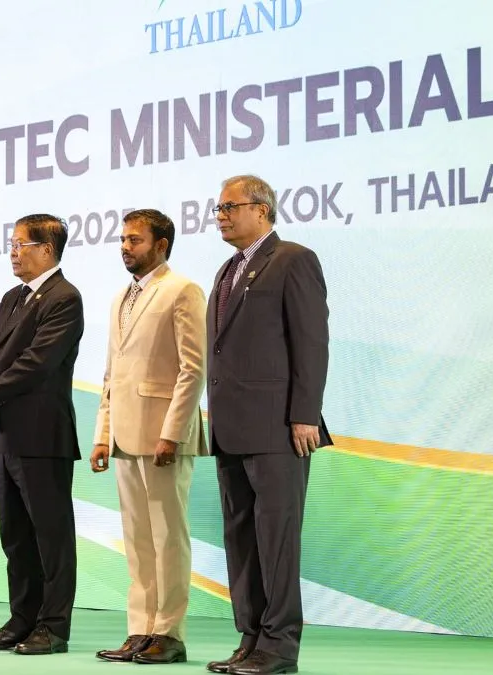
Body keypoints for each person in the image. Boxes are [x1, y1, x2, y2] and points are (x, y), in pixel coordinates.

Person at [205, 175, 331, 675]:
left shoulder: (293, 259)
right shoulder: (227, 269)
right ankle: (251, 637)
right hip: (230, 429)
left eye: (229, 207)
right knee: (241, 540)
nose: (220, 216)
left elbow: (311, 342)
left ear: (261, 210)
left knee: (276, 541)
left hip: (279, 428)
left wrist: (304, 414)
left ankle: (278, 647)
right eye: (218, 209)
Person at [89, 209, 207, 665]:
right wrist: (103, 434)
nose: (125, 246)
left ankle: (169, 633)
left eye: (134, 240)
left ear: (161, 244)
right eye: (123, 239)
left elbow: (193, 369)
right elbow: (111, 374)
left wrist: (172, 433)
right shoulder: (121, 296)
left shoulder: (183, 290)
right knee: (137, 540)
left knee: (168, 538)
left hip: (163, 436)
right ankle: (140, 629)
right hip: (124, 434)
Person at [0, 214, 84, 655]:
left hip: (42, 435)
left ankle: (53, 627)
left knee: (51, 537)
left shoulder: (64, 298)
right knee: (15, 536)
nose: (12, 252)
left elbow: (36, 362)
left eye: (20, 245)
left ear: (47, 250)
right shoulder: (11, 297)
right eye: (12, 244)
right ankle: (22, 619)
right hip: (6, 433)